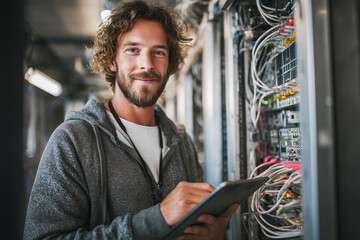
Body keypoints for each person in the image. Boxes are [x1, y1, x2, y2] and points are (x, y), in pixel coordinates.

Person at [24, 1, 238, 239]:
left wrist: (212, 233)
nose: (147, 64)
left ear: (169, 65)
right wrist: (157, 219)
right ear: (111, 61)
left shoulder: (180, 142)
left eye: (158, 52)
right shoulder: (72, 141)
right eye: (132, 50)